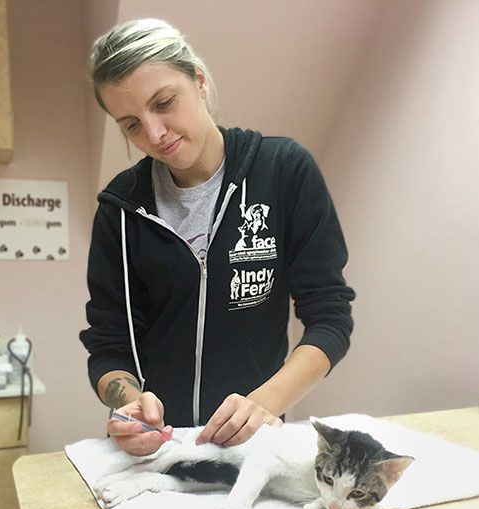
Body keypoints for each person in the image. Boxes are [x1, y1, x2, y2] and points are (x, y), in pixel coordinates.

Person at [79, 18, 355, 456]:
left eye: (164, 102)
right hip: (160, 450)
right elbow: (108, 344)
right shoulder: (121, 209)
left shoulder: (282, 171)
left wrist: (265, 404)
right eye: (131, 124)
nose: (154, 134)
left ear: (200, 81)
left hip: (254, 446)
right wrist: (129, 406)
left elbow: (330, 317)